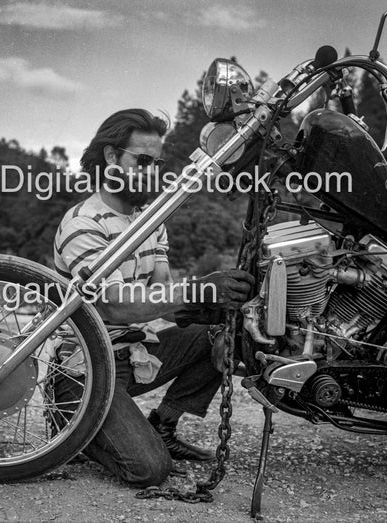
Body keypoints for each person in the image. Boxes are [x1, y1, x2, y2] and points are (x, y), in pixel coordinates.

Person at [53, 109, 254, 487]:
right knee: (149, 469)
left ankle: (163, 424)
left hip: (134, 355)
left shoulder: (150, 221)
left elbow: (163, 293)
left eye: (156, 162)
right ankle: (73, 428)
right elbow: (114, 305)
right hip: (85, 370)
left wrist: (217, 299)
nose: (151, 170)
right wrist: (195, 290)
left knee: (225, 331)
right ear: (111, 158)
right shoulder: (84, 223)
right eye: (142, 160)